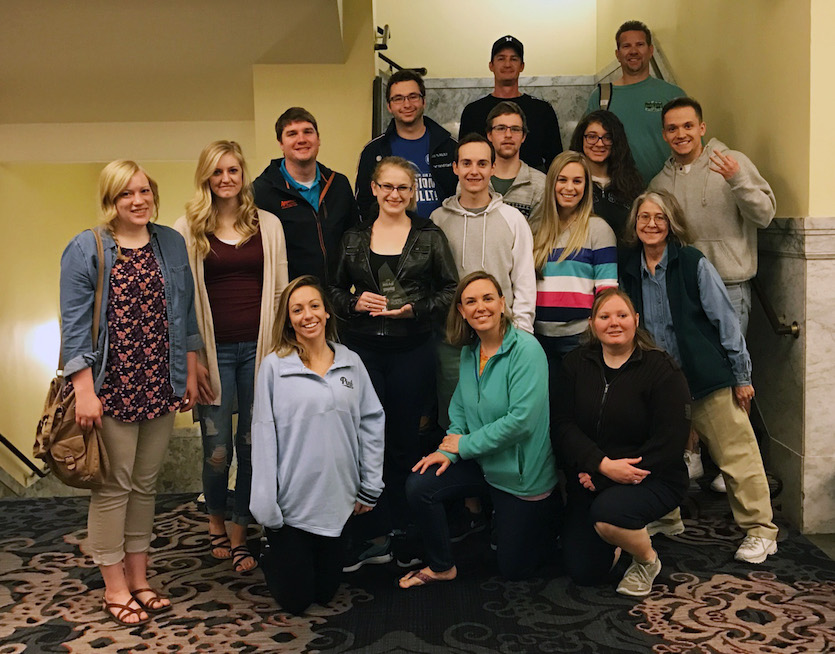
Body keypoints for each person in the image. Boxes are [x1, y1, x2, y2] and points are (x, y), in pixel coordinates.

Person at [60, 160, 201, 625]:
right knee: (113, 489)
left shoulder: (170, 241)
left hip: (160, 380)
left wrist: (189, 371)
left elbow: (186, 314)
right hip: (112, 386)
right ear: (111, 200)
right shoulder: (86, 248)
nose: (138, 200)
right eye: (126, 194)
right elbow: (75, 327)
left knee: (145, 487)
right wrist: (84, 390)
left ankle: (139, 579)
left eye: (144, 191)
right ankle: (114, 587)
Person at [619, 190, 779, 563]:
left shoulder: (693, 262)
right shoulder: (628, 267)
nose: (652, 224)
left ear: (672, 223)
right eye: (644, 217)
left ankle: (761, 530)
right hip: (657, 383)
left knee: (736, 455)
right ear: (635, 224)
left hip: (705, 377)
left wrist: (741, 375)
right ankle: (666, 516)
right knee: (660, 456)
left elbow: (726, 322)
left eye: (659, 217)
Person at [330, 156, 458, 569]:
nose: (394, 195)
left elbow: (451, 290)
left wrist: (415, 309)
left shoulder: (429, 235)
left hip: (411, 349)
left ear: (413, 191)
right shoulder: (353, 237)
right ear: (373, 188)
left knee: (404, 440)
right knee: (366, 441)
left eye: (403, 188)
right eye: (387, 187)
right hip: (362, 351)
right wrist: (353, 302)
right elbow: (330, 289)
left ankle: (403, 529)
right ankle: (371, 530)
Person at [399, 271, 559, 588]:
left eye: (487, 298)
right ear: (461, 311)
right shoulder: (470, 352)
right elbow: (459, 409)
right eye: (470, 301)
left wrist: (464, 446)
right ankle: (442, 566)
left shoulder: (527, 350)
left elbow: (521, 422)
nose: (479, 307)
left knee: (515, 569)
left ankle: (549, 521)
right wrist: (447, 452)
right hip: (484, 465)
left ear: (502, 303)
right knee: (420, 484)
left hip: (521, 477)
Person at [174, 140, 288, 573]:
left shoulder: (269, 225)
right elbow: (180, 299)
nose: (226, 179)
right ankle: (216, 524)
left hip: (259, 351)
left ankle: (241, 532)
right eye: (217, 172)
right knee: (217, 450)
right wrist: (191, 357)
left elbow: (280, 292)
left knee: (254, 445)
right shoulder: (187, 229)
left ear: (244, 176)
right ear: (206, 177)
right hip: (211, 353)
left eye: (233, 171)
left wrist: (280, 351)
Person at [250, 276, 385, 615]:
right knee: (296, 602)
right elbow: (263, 436)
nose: (307, 315)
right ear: (288, 319)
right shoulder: (274, 367)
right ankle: (273, 552)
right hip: (291, 507)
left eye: (314, 306)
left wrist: (370, 486)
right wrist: (266, 504)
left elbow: (371, 422)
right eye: (297, 309)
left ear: (327, 313)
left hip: (338, 502)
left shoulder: (351, 362)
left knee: (324, 594)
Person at [555, 288, 691, 596]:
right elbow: (562, 425)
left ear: (636, 320)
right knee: (584, 572)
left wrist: (608, 478)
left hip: (653, 476)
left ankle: (646, 560)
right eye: (604, 316)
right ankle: (624, 535)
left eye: (622, 315)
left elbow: (670, 442)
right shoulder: (576, 364)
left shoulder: (661, 370)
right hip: (592, 474)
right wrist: (599, 465)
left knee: (609, 515)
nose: (614, 323)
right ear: (592, 323)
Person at [431, 133, 536, 432]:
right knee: (455, 418)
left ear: (492, 168)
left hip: (501, 337)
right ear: (455, 168)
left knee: (498, 415)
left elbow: (525, 282)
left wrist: (522, 337)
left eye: (481, 163)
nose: (473, 171)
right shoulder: (438, 219)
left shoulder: (513, 219)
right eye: (466, 163)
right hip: (452, 337)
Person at [650, 97, 775, 336]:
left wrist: (737, 181)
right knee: (693, 368)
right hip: (684, 288)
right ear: (664, 135)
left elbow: (764, 216)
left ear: (702, 128)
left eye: (688, 126)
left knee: (731, 367)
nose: (681, 134)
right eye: (672, 128)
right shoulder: (659, 183)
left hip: (730, 287)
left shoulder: (732, 162)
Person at [253, 106, 359, 284]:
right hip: (290, 299)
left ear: (318, 139)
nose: (301, 139)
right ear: (281, 144)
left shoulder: (339, 185)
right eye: (292, 134)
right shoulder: (261, 192)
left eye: (308, 132)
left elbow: (355, 240)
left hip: (338, 297)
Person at [533, 151, 618, 368]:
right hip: (537, 337)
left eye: (577, 181)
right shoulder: (535, 229)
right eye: (562, 180)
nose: (569, 188)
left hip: (579, 338)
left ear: (586, 187)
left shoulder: (598, 230)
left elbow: (607, 293)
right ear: (552, 183)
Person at [586, 21, 685, 184]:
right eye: (626, 46)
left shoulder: (673, 95)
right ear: (618, 54)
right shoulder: (601, 97)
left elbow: (693, 149)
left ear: (651, 50)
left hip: (666, 192)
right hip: (616, 193)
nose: (633, 51)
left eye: (640, 44)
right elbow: (586, 148)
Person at [356, 69, 457, 221]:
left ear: (423, 101)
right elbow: (363, 203)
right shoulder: (374, 151)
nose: (407, 104)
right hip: (390, 240)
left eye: (413, 97)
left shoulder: (450, 147)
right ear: (389, 106)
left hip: (442, 237)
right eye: (398, 98)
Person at [459, 35, 562, 171]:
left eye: (513, 59)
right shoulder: (473, 112)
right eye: (501, 58)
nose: (507, 64)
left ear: (522, 66)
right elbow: (463, 158)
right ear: (491, 65)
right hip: (485, 188)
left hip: (534, 189)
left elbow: (556, 162)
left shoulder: (542, 111)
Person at [569, 110, 644, 245]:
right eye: (592, 136)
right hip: (582, 262)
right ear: (581, 139)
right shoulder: (569, 184)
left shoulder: (633, 183)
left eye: (607, 137)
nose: (599, 144)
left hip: (626, 261)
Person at [485, 101, 546, 226]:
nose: (508, 135)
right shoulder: (473, 178)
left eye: (515, 129)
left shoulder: (541, 185)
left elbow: (539, 238)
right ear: (489, 135)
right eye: (501, 128)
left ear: (523, 136)